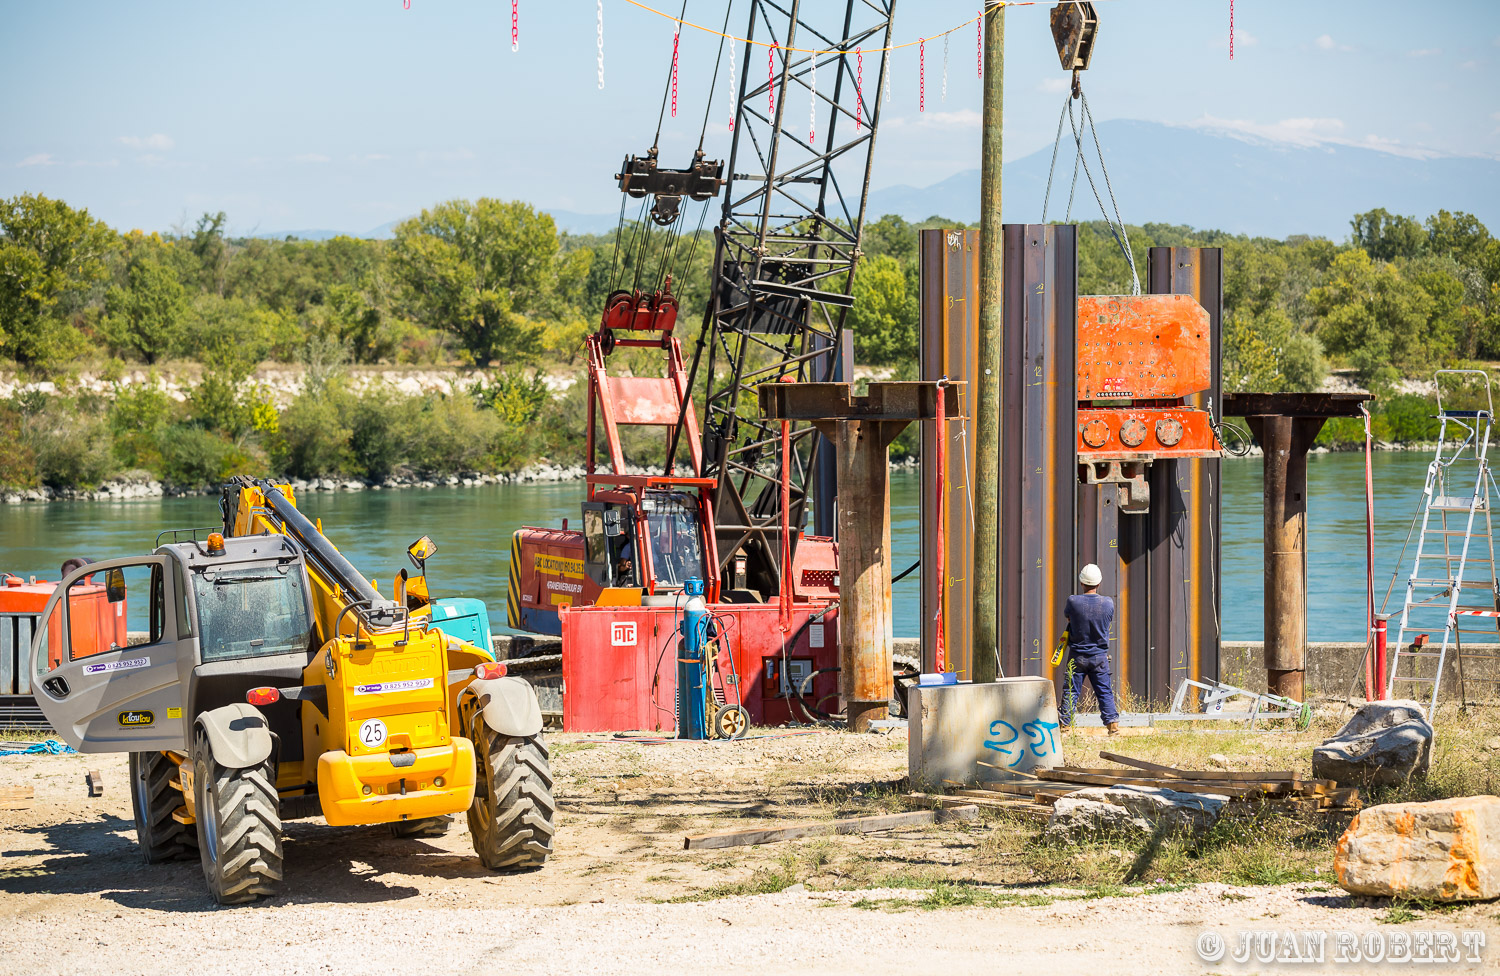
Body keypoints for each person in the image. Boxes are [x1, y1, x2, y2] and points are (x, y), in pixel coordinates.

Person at [1060, 563, 1120, 735]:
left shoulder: (1073, 601)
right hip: (1099, 657)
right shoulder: (1108, 603)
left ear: (1081, 583)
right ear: (1099, 583)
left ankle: (1065, 726)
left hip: (1077, 655)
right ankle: (1113, 726)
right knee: (1104, 691)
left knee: (1071, 690)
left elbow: (1069, 618)